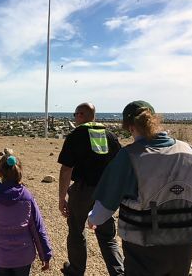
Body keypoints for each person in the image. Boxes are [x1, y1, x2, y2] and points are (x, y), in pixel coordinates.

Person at [88, 101, 192, 276]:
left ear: (130, 127)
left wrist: (93, 219)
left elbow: (106, 204)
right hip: (184, 244)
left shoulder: (129, 156)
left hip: (144, 247)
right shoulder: (189, 151)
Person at [58, 102, 124, 276]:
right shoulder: (110, 136)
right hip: (105, 192)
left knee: (76, 230)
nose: (74, 117)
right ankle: (119, 272)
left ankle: (76, 270)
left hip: (82, 190)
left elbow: (66, 170)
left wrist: (61, 197)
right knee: (107, 236)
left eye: (75, 114)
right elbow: (121, 166)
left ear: (80, 115)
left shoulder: (76, 135)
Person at [0, 154, 52, 276]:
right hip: (23, 257)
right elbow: (38, 228)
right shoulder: (27, 197)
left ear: (0, 173)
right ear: (19, 173)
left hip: (0, 258)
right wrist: (45, 254)